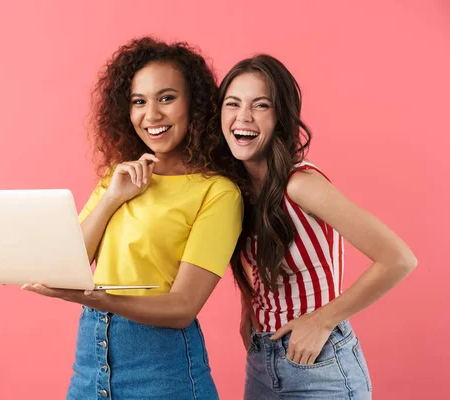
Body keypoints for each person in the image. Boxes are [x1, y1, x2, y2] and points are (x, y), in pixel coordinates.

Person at [22, 37, 243, 399]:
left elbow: (183, 307)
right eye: (139, 101)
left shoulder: (217, 192)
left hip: (162, 368)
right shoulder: (117, 178)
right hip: (91, 358)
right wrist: (111, 199)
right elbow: (68, 262)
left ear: (196, 106)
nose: (151, 115)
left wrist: (100, 299)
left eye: (166, 98)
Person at [217, 54, 417, 399]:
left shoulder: (300, 184)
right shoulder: (241, 190)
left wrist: (322, 320)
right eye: (232, 103)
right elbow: (263, 260)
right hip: (262, 360)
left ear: (281, 116)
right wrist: (249, 306)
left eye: (260, 105)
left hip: (318, 362)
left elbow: (398, 258)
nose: (243, 117)